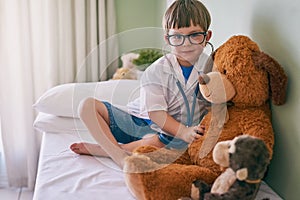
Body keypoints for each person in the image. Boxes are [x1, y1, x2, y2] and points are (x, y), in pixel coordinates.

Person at [70, 0, 213, 168]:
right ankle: (120, 157)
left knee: (174, 142)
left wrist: (188, 132)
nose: (186, 43)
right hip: (139, 122)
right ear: (167, 39)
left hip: (166, 136)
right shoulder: (156, 71)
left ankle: (107, 149)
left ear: (207, 37)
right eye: (177, 37)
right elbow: (156, 115)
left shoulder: (212, 69)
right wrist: (183, 131)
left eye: (194, 35)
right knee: (86, 106)